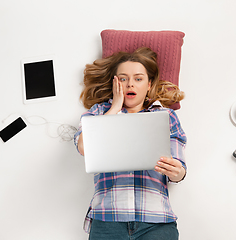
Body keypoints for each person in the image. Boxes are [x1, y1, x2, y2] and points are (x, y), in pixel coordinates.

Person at [74, 47, 187, 240]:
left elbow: (179, 168)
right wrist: (115, 108)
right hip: (107, 219)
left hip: (156, 221)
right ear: (114, 83)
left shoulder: (165, 116)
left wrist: (178, 173)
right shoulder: (99, 113)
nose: (130, 84)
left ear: (149, 84)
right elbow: (85, 147)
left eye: (138, 78)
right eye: (123, 78)